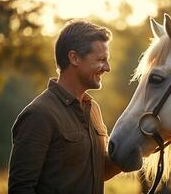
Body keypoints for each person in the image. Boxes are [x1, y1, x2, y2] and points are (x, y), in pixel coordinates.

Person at [8, 20, 121, 194]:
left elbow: (95, 172)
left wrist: (132, 153)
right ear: (74, 58)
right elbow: (20, 189)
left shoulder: (94, 109)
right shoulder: (39, 114)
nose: (107, 67)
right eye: (101, 60)